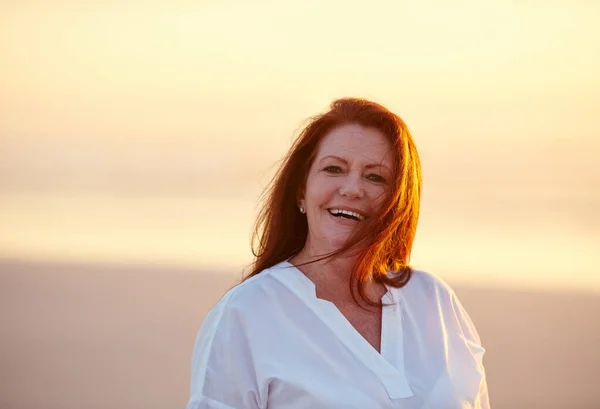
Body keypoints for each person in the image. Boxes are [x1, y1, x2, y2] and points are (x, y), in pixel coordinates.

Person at [186, 98, 491, 408]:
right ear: (301, 190)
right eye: (334, 169)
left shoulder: (435, 303)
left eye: (375, 177)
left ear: (397, 201)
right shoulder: (246, 313)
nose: (352, 189)